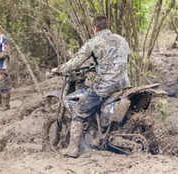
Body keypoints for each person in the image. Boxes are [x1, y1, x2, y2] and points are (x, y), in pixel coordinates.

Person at [52, 16, 131, 157]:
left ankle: (73, 149)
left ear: (95, 28)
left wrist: (59, 69)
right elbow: (127, 58)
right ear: (107, 26)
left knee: (79, 109)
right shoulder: (121, 40)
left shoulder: (94, 42)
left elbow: (75, 62)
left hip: (105, 87)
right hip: (124, 84)